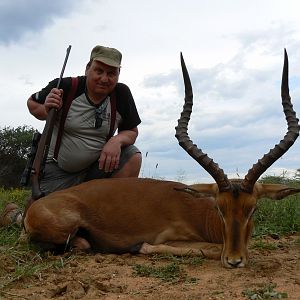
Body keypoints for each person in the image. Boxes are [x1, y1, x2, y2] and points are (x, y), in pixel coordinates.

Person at [0, 45, 142, 226]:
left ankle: (110, 221)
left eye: (111, 73)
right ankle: (15, 217)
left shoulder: (121, 94)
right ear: (87, 68)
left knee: (132, 156)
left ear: (118, 75)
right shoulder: (66, 86)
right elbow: (32, 104)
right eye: (99, 71)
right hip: (59, 170)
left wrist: (117, 140)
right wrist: (46, 109)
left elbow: (131, 131)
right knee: (41, 221)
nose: (104, 79)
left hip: (96, 169)